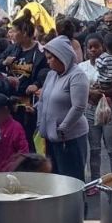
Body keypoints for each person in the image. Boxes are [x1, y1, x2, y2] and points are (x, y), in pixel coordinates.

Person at [37, 36, 90, 181]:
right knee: (55, 177)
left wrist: (63, 128)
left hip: (70, 138)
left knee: (71, 178)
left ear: (62, 56)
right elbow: (42, 101)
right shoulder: (51, 74)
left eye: (50, 58)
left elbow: (79, 106)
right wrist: (40, 124)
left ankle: (77, 204)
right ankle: (59, 204)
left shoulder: (77, 76)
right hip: (51, 137)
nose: (47, 62)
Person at [0, 16, 50, 145]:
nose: (11, 34)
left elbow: (46, 72)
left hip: (29, 104)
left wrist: (36, 84)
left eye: (14, 31)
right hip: (11, 100)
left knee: (27, 139)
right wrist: (4, 62)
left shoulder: (40, 52)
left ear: (25, 32)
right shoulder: (12, 48)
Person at [79, 34, 112, 180]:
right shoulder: (82, 67)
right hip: (91, 110)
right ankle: (95, 182)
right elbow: (78, 89)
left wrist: (102, 93)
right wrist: (91, 92)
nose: (93, 50)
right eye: (89, 47)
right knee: (94, 150)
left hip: (111, 108)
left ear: (103, 47)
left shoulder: (111, 62)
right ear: (85, 49)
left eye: (96, 46)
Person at [0, 94, 30, 173]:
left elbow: (24, 152)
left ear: (6, 110)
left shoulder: (16, 128)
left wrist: (13, 166)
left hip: (9, 172)